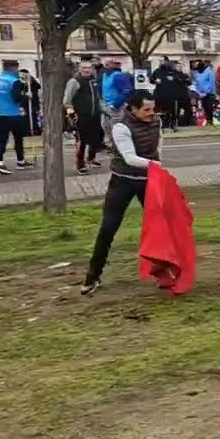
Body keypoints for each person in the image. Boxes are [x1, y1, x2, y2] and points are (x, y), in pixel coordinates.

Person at [81, 91, 162, 296]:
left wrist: (157, 167)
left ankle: (163, 268)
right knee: (108, 227)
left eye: (153, 109)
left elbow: (158, 148)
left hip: (148, 181)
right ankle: (93, 275)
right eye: (146, 110)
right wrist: (156, 165)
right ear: (133, 109)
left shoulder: (156, 123)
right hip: (123, 181)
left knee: (160, 226)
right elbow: (129, 158)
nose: (151, 113)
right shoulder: (120, 127)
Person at [0, 62, 33, 175]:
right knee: (18, 138)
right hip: (12, 113)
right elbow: (16, 97)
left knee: (1, 138)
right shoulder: (14, 81)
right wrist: (26, 95)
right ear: (14, 68)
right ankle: (20, 161)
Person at [63, 60, 105, 174]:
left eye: (89, 68)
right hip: (81, 116)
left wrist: (104, 110)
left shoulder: (93, 81)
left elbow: (97, 98)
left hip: (95, 115)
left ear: (92, 69)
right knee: (81, 141)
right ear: (79, 69)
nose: (86, 70)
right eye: (84, 68)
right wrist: (71, 115)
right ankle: (80, 164)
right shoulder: (74, 82)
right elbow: (67, 100)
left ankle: (91, 158)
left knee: (97, 137)